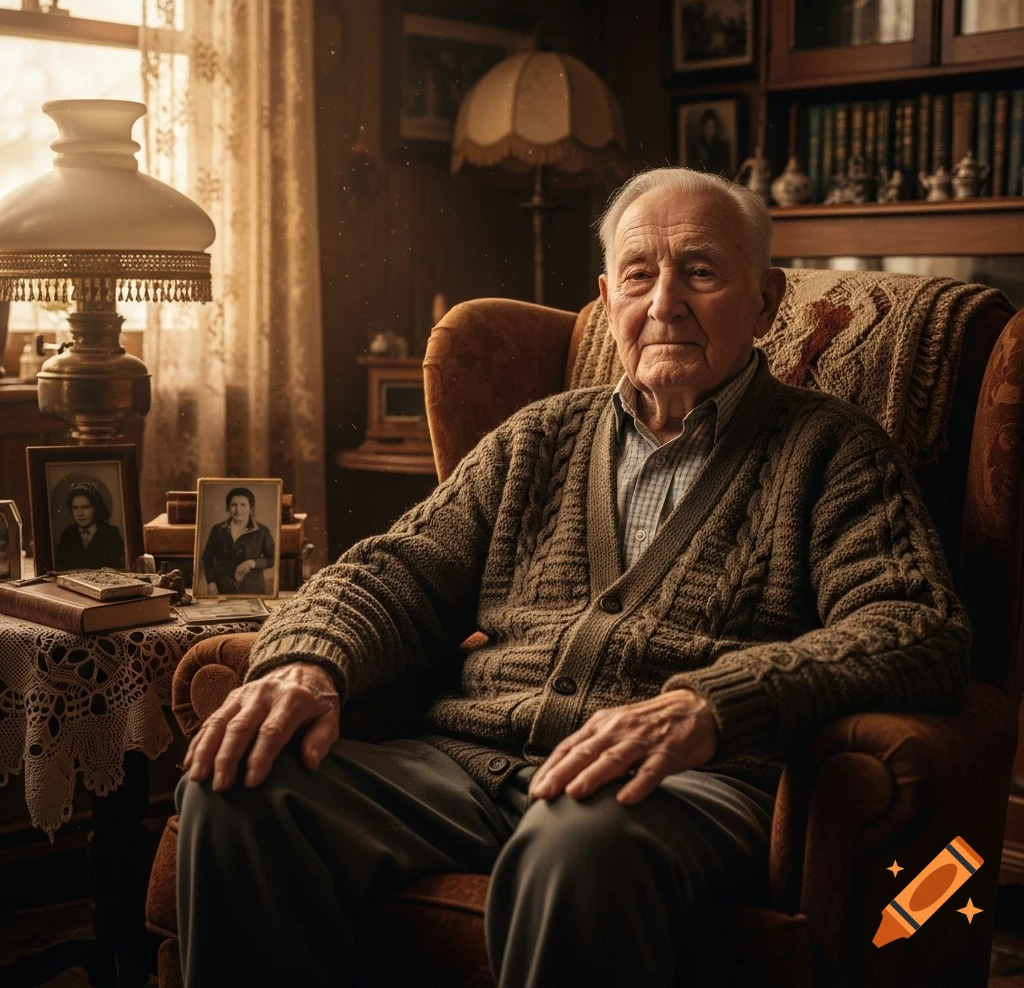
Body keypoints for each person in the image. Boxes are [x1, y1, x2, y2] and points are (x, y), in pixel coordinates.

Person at [176, 168, 970, 987]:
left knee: (577, 841)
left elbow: (915, 626)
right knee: (239, 789)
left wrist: (713, 704)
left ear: (767, 300)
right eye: (639, 275)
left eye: (700, 271)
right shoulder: (539, 437)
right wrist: (309, 659)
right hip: (466, 767)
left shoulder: (834, 452)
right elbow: (398, 566)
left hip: (680, 786)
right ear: (607, 295)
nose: (664, 302)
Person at [199, 487, 276, 595]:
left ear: (251, 508)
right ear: (228, 507)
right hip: (223, 589)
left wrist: (253, 563)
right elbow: (207, 559)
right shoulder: (218, 530)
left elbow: (272, 559)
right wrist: (211, 582)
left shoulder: (262, 531)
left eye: (243, 505)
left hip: (253, 590)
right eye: (233, 505)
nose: (238, 510)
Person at [53, 481, 125, 570]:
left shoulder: (111, 533)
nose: (80, 513)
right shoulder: (68, 533)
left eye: (86, 507)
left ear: (96, 508)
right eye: (75, 508)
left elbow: (121, 568)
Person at [689, 107, 732, 176]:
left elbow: (724, 169)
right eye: (707, 127)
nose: (710, 131)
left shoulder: (722, 146)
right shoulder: (697, 145)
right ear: (703, 128)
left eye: (712, 127)